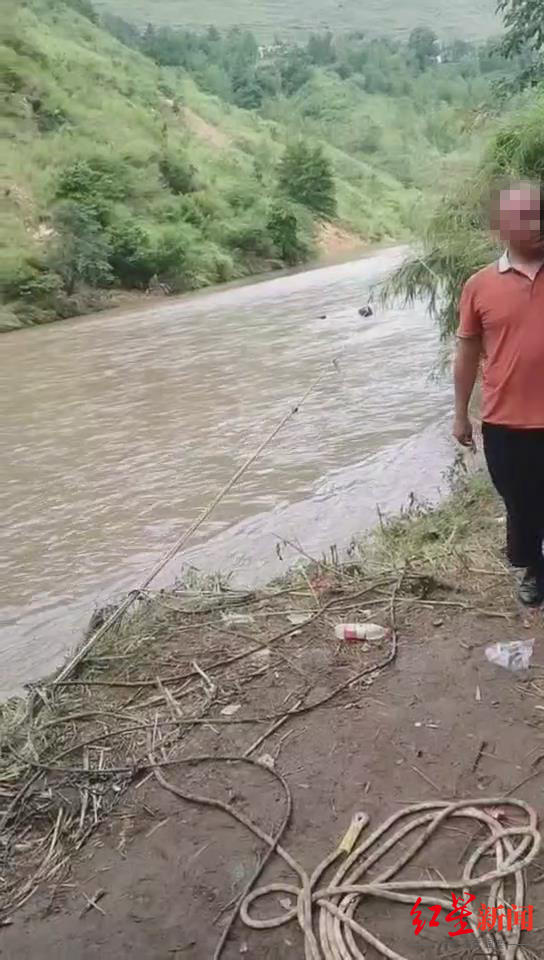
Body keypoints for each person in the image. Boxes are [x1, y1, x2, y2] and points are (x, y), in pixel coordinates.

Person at [453, 181, 544, 605]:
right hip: (507, 423)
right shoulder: (479, 286)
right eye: (524, 216)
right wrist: (459, 414)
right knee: (522, 504)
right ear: (500, 227)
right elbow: (467, 352)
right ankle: (533, 568)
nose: (537, 221)